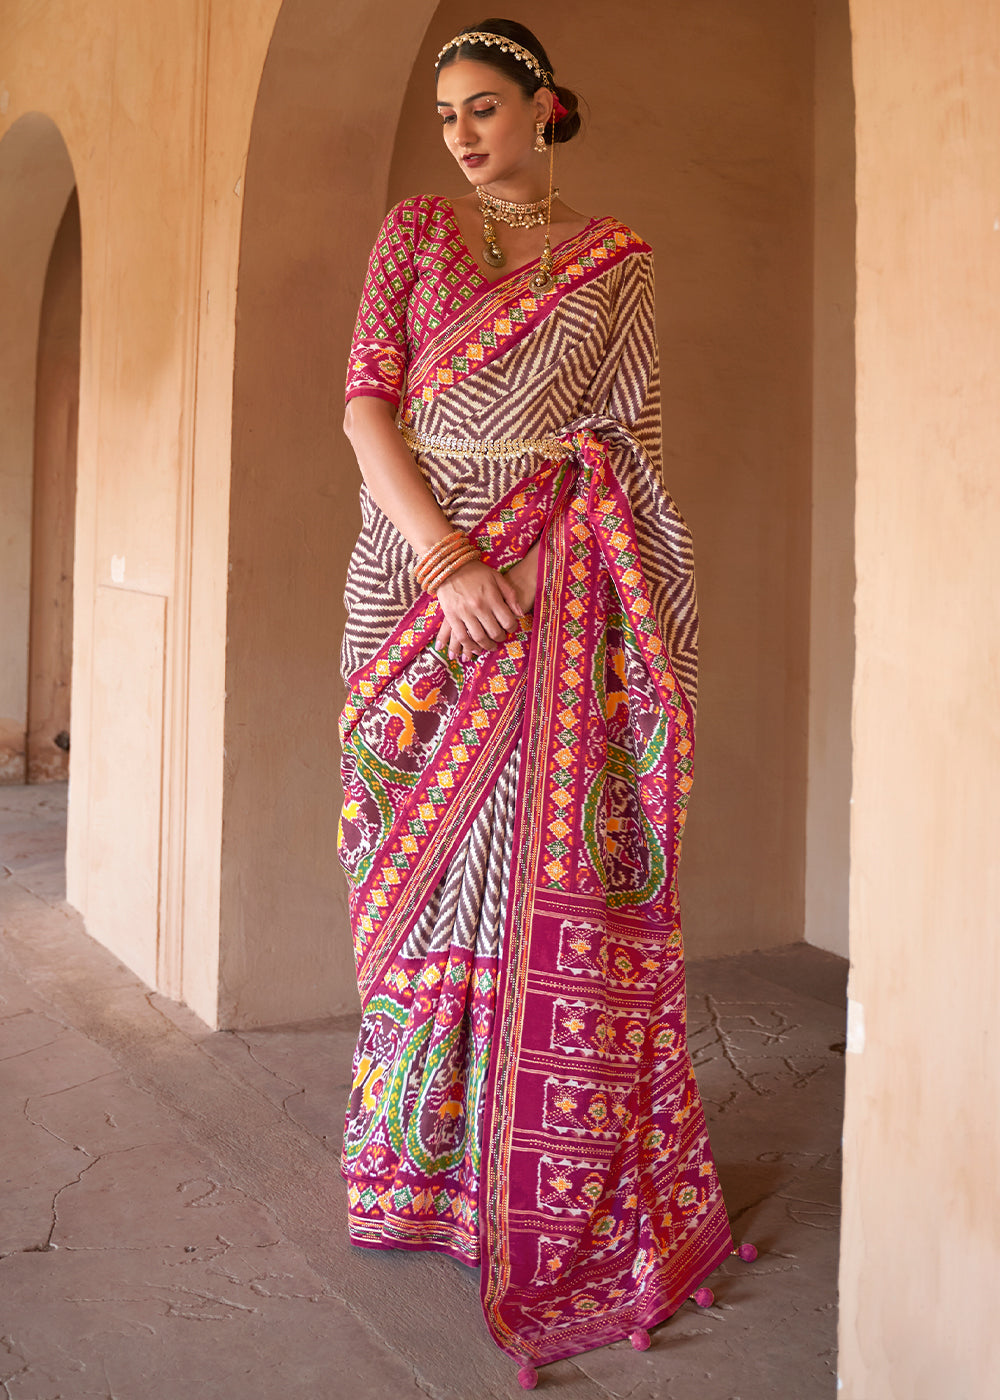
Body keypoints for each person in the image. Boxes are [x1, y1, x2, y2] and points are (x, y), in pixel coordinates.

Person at [338, 18, 752, 1386]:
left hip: (562, 588)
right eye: (448, 112)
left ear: (544, 106)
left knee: (530, 861)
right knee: (410, 870)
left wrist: (638, 613)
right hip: (417, 574)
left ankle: (530, 1180)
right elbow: (363, 411)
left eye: (483, 107)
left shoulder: (615, 260)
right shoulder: (414, 232)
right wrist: (448, 557)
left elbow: (630, 437)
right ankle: (417, 1168)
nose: (461, 131)